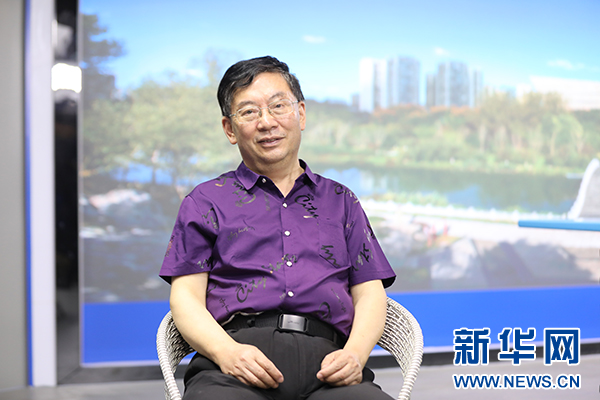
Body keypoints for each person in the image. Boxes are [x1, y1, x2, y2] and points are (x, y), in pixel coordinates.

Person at [159, 56, 396, 400]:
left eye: (278, 106)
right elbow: (185, 297)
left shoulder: (341, 200)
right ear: (229, 129)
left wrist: (356, 354)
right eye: (249, 112)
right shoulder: (205, 201)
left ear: (301, 114)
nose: (267, 122)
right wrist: (227, 353)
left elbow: (370, 292)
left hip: (329, 364)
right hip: (235, 362)